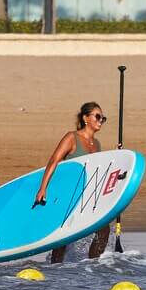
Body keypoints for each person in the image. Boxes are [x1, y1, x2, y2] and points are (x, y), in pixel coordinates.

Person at [34, 102, 111, 263]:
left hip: (86, 196)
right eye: (97, 116)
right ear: (85, 118)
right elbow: (54, 160)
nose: (100, 120)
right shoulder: (72, 138)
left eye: (103, 118)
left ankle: (92, 263)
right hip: (67, 194)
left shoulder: (96, 144)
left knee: (104, 229)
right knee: (64, 238)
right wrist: (43, 189)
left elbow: (96, 171)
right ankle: (55, 267)